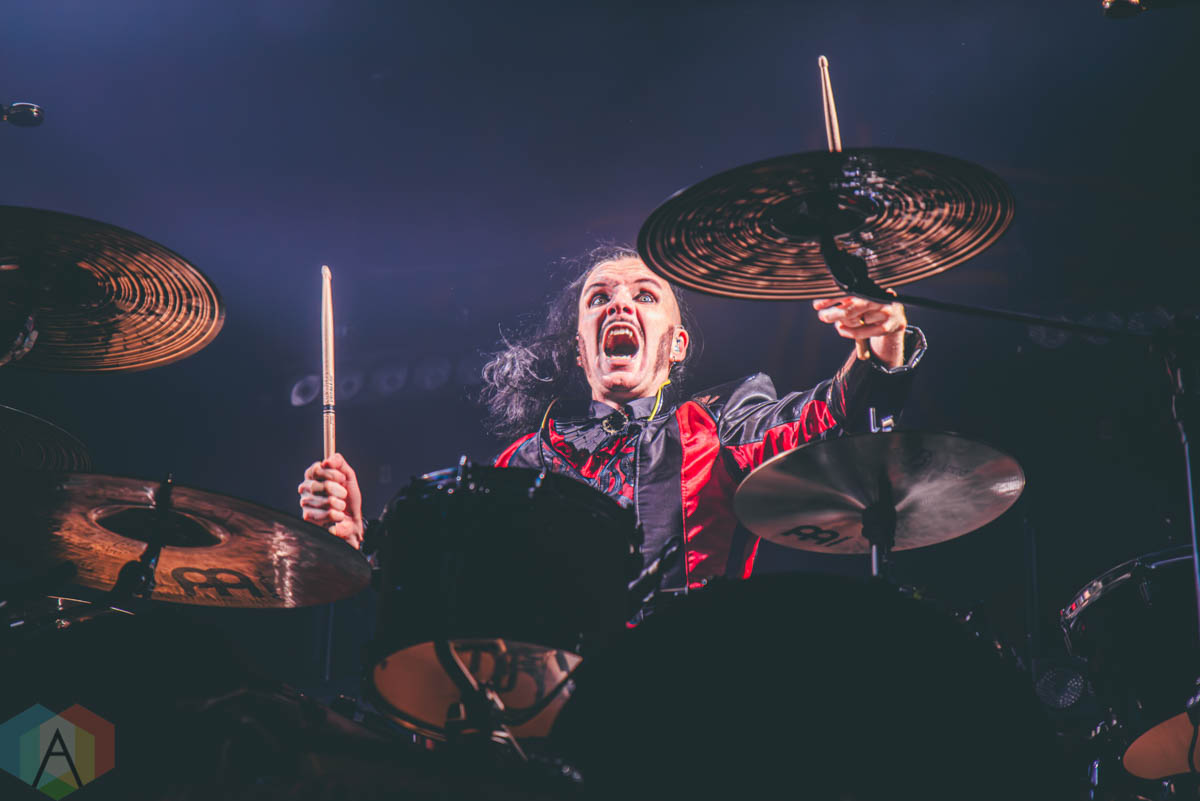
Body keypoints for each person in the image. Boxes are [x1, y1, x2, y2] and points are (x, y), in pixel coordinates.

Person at [297, 245, 923, 590]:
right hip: (556, 709)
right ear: (580, 348)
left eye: (644, 295)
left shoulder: (720, 422)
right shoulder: (526, 460)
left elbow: (825, 417)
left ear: (676, 346)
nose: (619, 303)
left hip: (698, 685)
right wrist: (363, 541)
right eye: (599, 297)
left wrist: (881, 343)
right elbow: (460, 579)